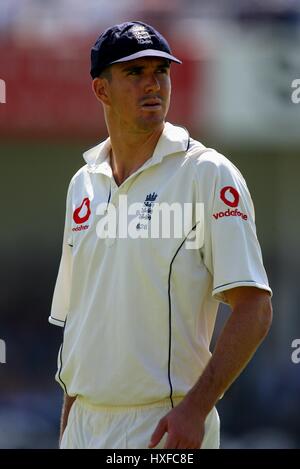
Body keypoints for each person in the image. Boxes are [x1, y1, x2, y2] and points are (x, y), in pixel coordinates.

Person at [49, 21, 273, 449]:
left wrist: (196, 409)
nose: (153, 84)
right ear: (101, 90)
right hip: (84, 427)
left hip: (164, 425)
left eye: (161, 72)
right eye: (135, 73)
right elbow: (81, 317)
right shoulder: (84, 182)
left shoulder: (207, 173)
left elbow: (254, 310)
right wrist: (69, 416)